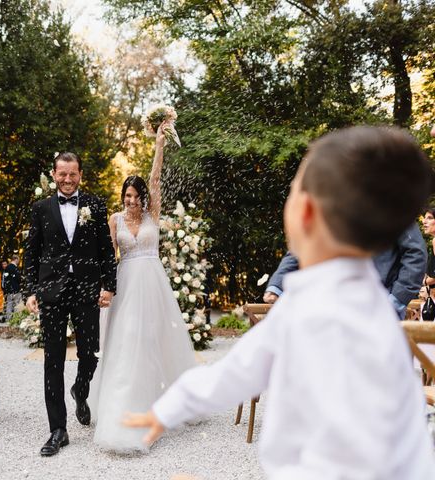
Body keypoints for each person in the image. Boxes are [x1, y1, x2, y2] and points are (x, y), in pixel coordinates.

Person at [124, 126, 435, 478]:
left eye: (290, 192)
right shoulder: (373, 315)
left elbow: (234, 375)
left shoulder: (311, 312)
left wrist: (166, 409)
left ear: (304, 213)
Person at [87, 124, 196, 453]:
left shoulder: (153, 213)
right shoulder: (115, 220)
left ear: (143, 198)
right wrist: (104, 289)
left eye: (135, 196)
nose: (131, 200)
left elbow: (156, 180)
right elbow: (109, 258)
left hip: (151, 285)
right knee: (125, 342)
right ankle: (121, 410)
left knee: (150, 341)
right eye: (126, 196)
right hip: (126, 286)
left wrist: (159, 145)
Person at [23, 151, 117, 457]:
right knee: (53, 359)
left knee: (90, 352)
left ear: (80, 175)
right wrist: (30, 291)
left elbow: (106, 248)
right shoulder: (41, 208)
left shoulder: (95, 205)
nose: (67, 180)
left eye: (72, 174)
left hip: (88, 289)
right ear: (53, 174)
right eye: (62, 174)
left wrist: (109, 285)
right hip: (52, 291)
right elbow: (32, 252)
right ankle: (58, 430)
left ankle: (81, 388)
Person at [262, 220, 426, 319]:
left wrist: (395, 301)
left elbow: (415, 253)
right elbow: (302, 247)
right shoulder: (329, 201)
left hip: (378, 308)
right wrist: (277, 285)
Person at [0, 255, 21, 323]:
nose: (19, 261)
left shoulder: (7, 268)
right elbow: (18, 278)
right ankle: (16, 318)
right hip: (16, 289)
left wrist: (6, 288)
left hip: (9, 289)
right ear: (16, 259)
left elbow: (5, 279)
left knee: (9, 303)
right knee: (17, 304)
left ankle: (9, 318)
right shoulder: (15, 268)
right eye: (18, 260)